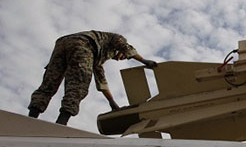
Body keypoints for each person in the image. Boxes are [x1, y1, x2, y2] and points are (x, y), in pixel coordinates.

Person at [28, 30, 158, 125]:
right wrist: (144, 61)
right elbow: (125, 47)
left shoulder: (97, 60)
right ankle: (61, 122)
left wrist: (112, 102)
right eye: (123, 56)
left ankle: (31, 118)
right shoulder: (116, 39)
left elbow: (102, 82)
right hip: (84, 43)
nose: (120, 59)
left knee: (50, 81)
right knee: (79, 84)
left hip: (62, 43)